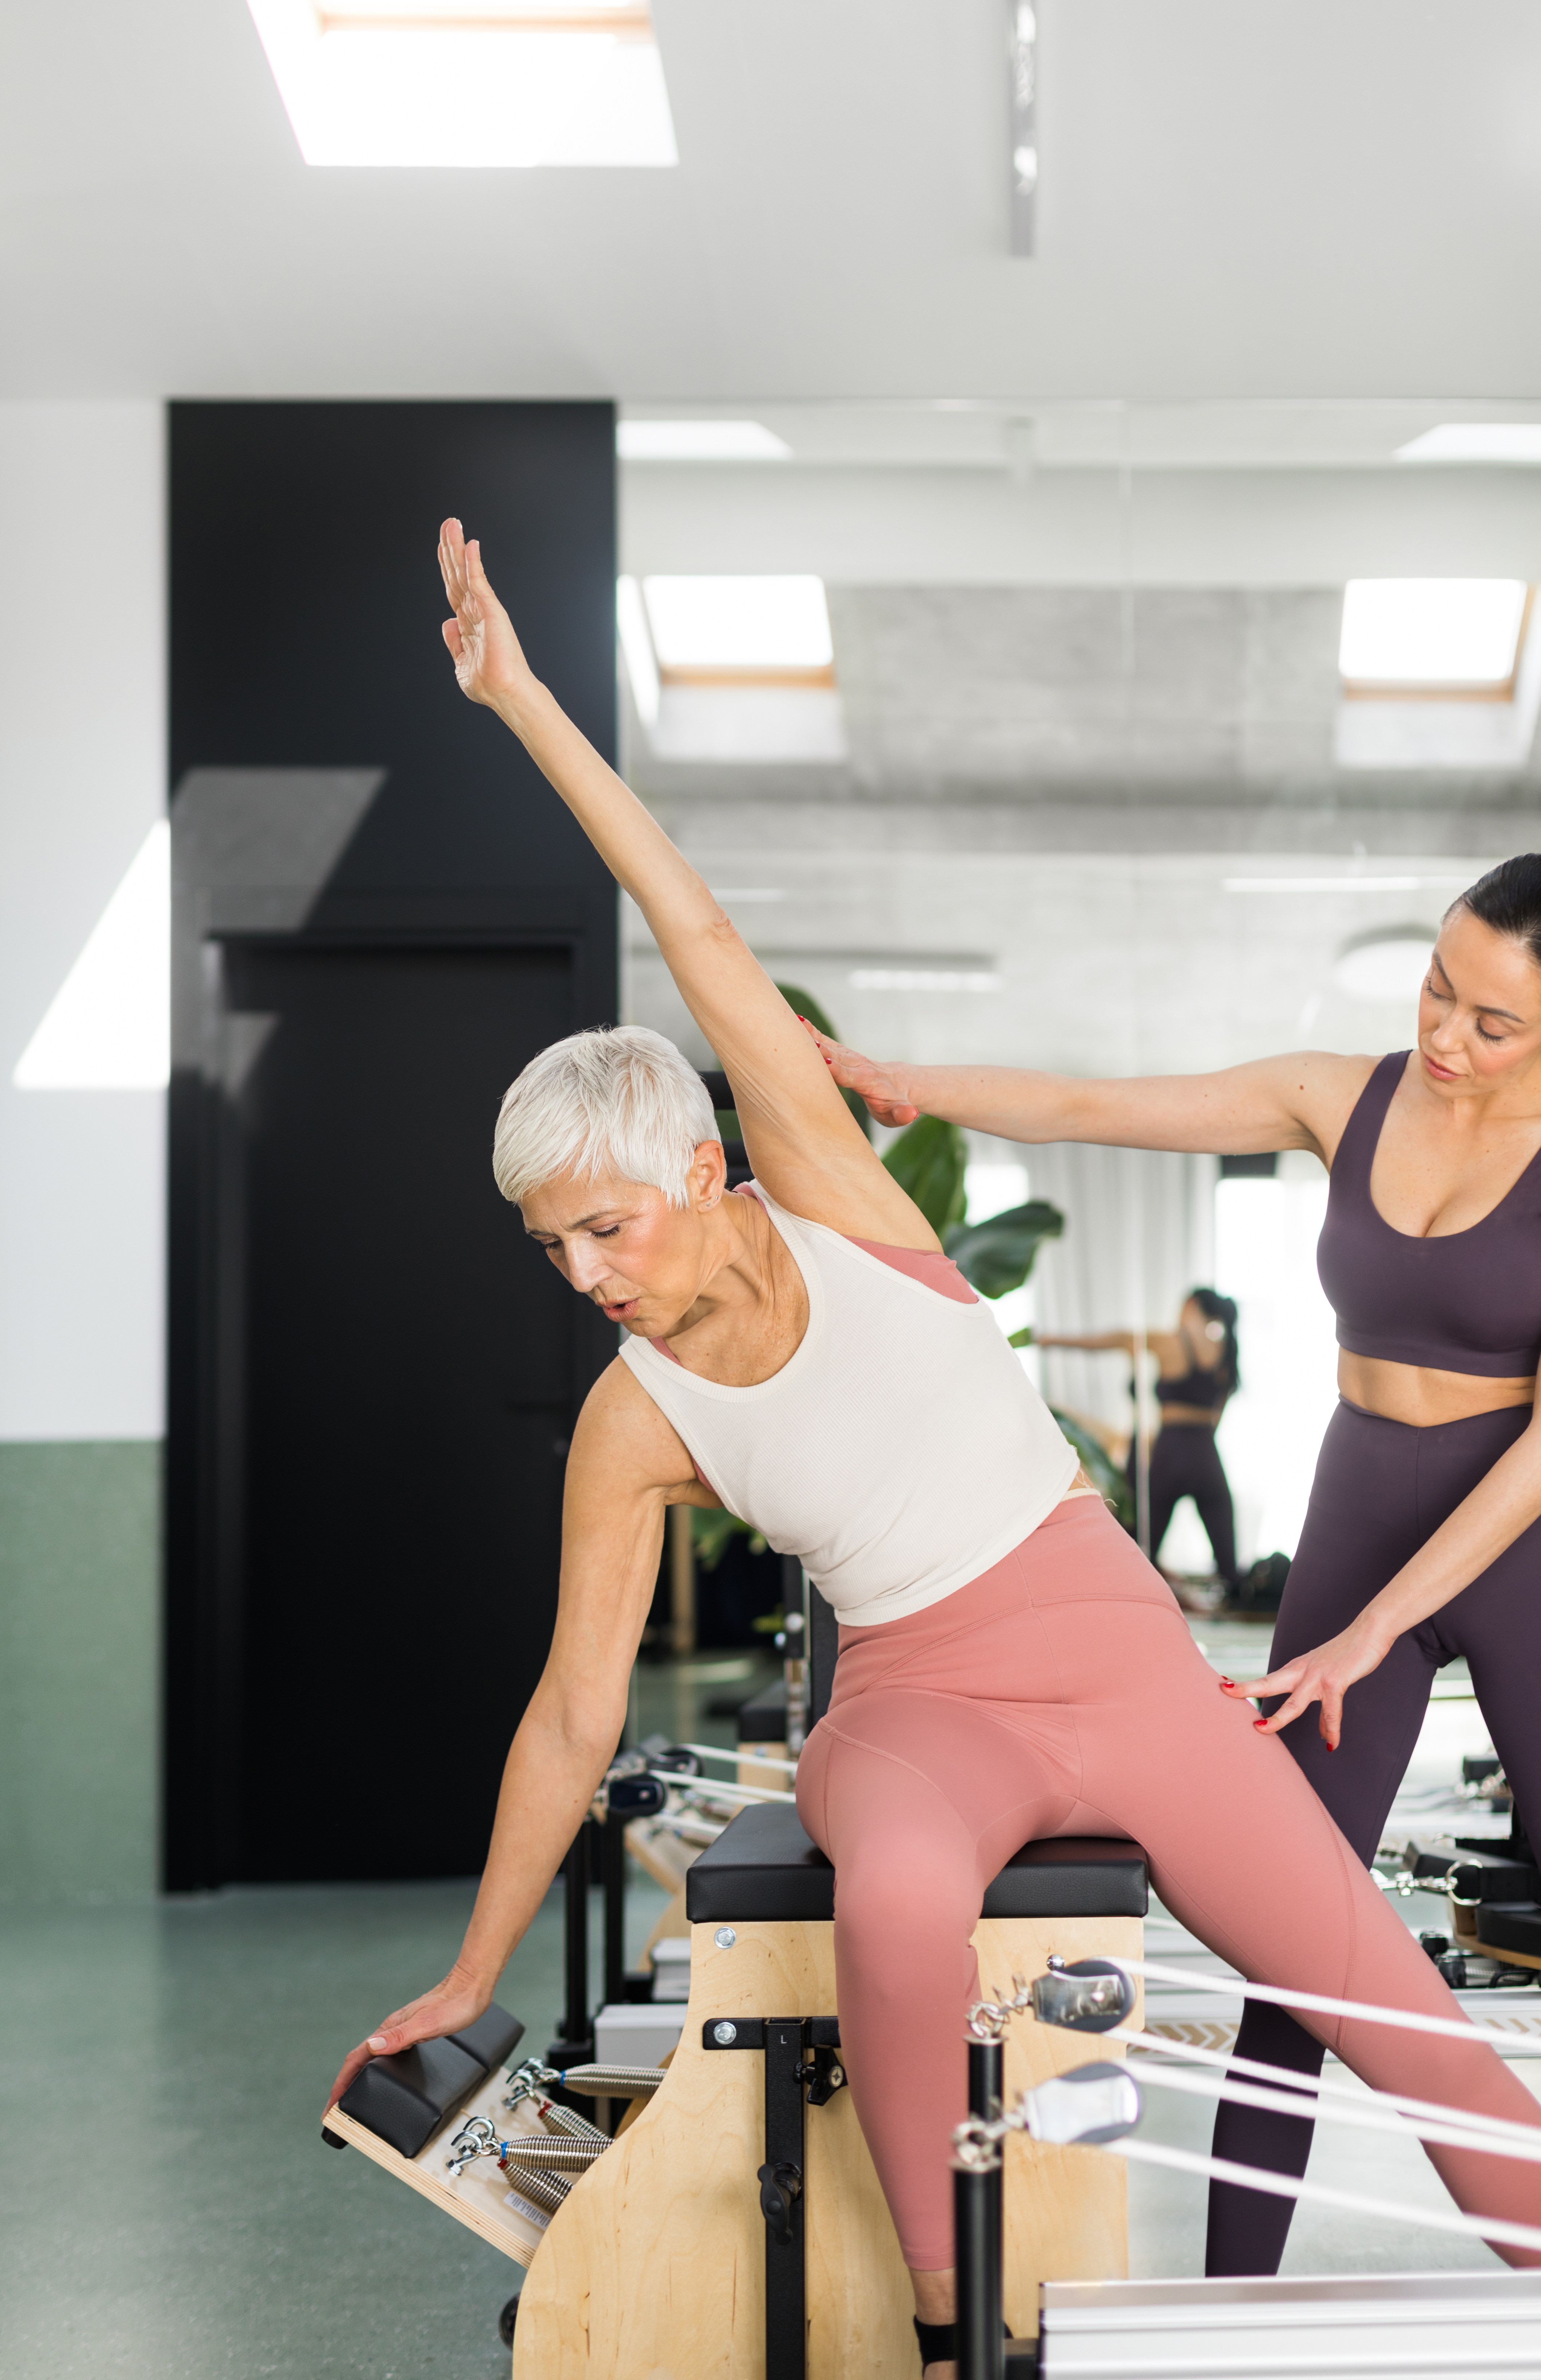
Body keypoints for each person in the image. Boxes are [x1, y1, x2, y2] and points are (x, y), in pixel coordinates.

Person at [326, 529, 1541, 2372]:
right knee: (895, 1898)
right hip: (914, 1710)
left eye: (607, 1231)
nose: (586, 1277)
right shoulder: (629, 1422)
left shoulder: (823, 1186)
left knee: (1391, 2008)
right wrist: (475, 1976)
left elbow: (695, 927)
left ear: (702, 1173)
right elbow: (572, 1718)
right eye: (550, 1250)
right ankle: (942, 2326)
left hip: (1123, 1664)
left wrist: (518, 703)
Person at [806, 862, 1541, 2277]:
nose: (1444, 1035)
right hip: (1360, 1510)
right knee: (1299, 1942)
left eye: (1493, 1023)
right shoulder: (1345, 1095)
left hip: (1512, 1543)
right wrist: (901, 1082)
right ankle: (1234, 2302)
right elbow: (1096, 1107)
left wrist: (1378, 1630)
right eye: (1435, 990)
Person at [1037, 1290, 1241, 1596]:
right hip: (1206, 1453)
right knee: (1229, 1566)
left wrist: (1052, 1341)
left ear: (1191, 1307)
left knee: (1141, 1549)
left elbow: (1116, 1340)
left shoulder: (1171, 1341)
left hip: (1172, 1451)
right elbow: (1216, 1416)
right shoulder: (1225, 1349)